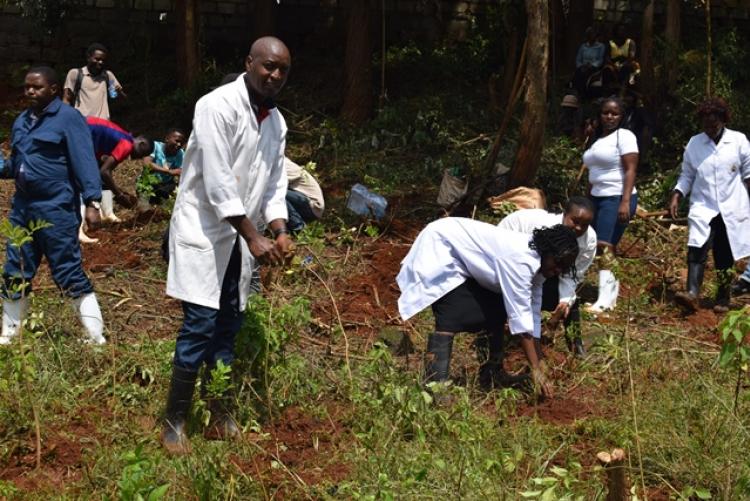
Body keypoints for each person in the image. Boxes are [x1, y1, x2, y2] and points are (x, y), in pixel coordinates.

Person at [161, 37, 292, 455]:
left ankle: (219, 415)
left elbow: (273, 183)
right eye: (268, 66)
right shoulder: (216, 105)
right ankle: (175, 422)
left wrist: (280, 229)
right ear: (249, 62)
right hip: (203, 231)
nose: (273, 75)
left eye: (282, 70)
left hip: (240, 238)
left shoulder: (276, 122)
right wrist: (254, 236)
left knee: (229, 324)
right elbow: (218, 182)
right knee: (200, 322)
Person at [397, 218, 580, 398]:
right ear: (548, 252)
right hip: (442, 247)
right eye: (557, 264)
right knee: (452, 312)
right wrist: (535, 368)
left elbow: (532, 314)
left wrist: (540, 362)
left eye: (563, 268)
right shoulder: (521, 260)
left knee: (497, 309)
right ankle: (435, 385)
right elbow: (521, 319)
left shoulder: (540, 266)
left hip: (465, 260)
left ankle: (492, 374)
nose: (558, 271)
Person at [0, 66, 105, 345]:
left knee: (67, 270)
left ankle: (95, 338)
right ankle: (10, 336)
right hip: (23, 208)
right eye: (27, 87)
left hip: (55, 208)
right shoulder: (22, 121)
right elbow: (16, 164)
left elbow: (84, 161)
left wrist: (92, 202)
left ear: (54, 89)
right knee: (15, 268)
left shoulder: (68, 119)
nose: (31, 91)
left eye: (37, 87)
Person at [669, 97, 750, 313]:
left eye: (714, 124)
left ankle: (722, 298)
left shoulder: (739, 141)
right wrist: (677, 194)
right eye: (706, 125)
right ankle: (692, 294)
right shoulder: (695, 143)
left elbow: (749, 174)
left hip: (731, 206)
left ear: (723, 120)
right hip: (703, 205)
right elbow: (687, 174)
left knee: (723, 253)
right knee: (697, 247)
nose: (710, 129)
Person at [499, 197, 597, 357]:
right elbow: (525, 264)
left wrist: (565, 301)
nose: (579, 228)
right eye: (575, 221)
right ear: (565, 214)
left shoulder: (589, 241)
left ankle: (576, 348)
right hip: (512, 254)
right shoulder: (543, 228)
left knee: (571, 303)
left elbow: (573, 274)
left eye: (584, 225)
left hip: (543, 267)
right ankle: (501, 341)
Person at [583, 97, 639, 312]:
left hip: (616, 197)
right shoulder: (598, 139)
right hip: (597, 197)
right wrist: (587, 201)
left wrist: (625, 202)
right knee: (602, 246)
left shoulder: (624, 136)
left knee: (604, 246)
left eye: (614, 113)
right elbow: (592, 173)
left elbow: (631, 169)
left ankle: (604, 302)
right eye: (605, 112)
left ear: (621, 116)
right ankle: (610, 298)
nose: (609, 117)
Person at [87, 116, 153, 222]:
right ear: (142, 144)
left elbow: (103, 167)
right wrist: (119, 195)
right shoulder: (127, 145)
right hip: (82, 130)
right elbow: (104, 172)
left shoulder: (123, 137)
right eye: (142, 154)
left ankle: (105, 214)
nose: (139, 158)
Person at [63, 42, 124, 120]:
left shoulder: (108, 76)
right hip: (82, 122)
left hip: (102, 124)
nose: (100, 62)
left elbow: (115, 96)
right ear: (88, 58)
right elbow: (66, 99)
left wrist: (119, 93)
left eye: (103, 60)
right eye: (97, 59)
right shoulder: (76, 74)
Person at [137, 128, 186, 207]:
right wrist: (168, 171)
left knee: (163, 211)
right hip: (148, 184)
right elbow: (147, 164)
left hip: (165, 186)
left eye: (181, 143)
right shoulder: (155, 146)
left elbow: (181, 171)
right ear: (167, 139)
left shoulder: (180, 154)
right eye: (177, 141)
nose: (179, 144)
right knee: (144, 210)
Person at [284, 157, 324, 232]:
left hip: (313, 206)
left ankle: (298, 226)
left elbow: (276, 185)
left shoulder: (285, 165)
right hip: (306, 205)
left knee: (278, 193)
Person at [604, 24, 639, 91]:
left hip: (626, 63)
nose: (622, 32)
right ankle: (607, 93)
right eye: (620, 30)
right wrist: (613, 65)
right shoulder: (610, 43)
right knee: (607, 70)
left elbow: (631, 57)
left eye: (623, 30)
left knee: (628, 68)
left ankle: (623, 90)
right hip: (613, 64)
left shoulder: (631, 43)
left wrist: (622, 65)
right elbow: (607, 57)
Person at [573, 27, 606, 98]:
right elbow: (578, 59)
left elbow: (600, 60)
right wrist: (580, 66)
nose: (592, 36)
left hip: (594, 67)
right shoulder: (583, 46)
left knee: (586, 73)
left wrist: (592, 65)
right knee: (579, 72)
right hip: (583, 66)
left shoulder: (601, 46)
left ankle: (584, 94)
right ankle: (578, 92)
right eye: (590, 34)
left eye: (593, 34)